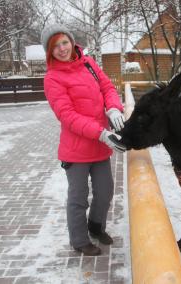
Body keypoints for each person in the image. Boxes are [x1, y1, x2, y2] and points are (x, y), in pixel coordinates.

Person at [41, 24, 126, 256]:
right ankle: (79, 240)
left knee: (105, 190)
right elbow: (67, 116)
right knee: (78, 198)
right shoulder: (52, 78)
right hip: (77, 149)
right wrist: (101, 132)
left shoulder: (88, 63)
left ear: (72, 41)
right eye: (55, 46)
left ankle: (96, 227)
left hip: (100, 144)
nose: (62, 49)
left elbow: (107, 87)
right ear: (49, 51)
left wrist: (114, 109)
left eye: (64, 42)